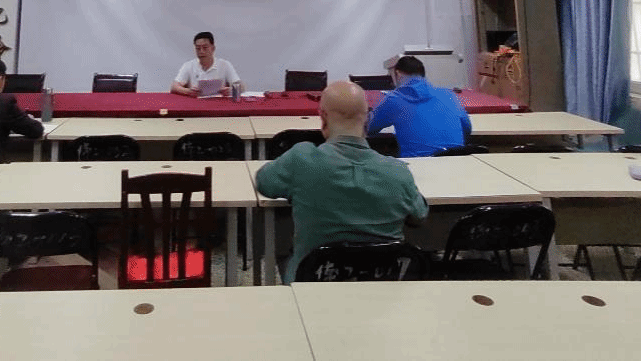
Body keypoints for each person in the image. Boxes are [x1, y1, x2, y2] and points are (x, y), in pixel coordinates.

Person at [255, 81, 428, 282]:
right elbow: (419, 216)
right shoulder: (398, 172)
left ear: (323, 118)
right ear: (368, 118)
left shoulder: (301, 160)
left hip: (312, 288)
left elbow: (264, 182)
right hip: (382, 290)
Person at [366, 55, 471, 157]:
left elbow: (368, 128)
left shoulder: (394, 99)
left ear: (398, 74)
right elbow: (467, 128)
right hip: (456, 163)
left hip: (419, 165)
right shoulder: (449, 95)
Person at [170, 31, 242, 97]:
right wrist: (188, 91)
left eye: (205, 47)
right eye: (198, 48)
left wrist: (232, 90)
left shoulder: (225, 65)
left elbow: (240, 85)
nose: (201, 51)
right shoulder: (188, 65)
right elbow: (174, 87)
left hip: (219, 103)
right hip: (196, 103)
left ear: (213, 48)